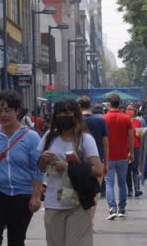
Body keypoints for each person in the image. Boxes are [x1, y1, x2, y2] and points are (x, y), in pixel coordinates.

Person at [0, 90, 43, 246]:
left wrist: (36, 196)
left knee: (16, 240)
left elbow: (37, 169)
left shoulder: (31, 137)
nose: (3, 115)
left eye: (7, 110)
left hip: (21, 195)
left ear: (17, 110)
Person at [38, 99, 103, 246]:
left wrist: (67, 167)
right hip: (53, 202)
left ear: (75, 115)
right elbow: (40, 169)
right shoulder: (49, 137)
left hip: (78, 202)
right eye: (59, 113)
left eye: (67, 113)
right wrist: (43, 159)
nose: (63, 116)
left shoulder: (85, 139)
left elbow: (98, 170)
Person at [103, 94, 134, 220]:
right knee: (122, 183)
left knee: (109, 183)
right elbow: (131, 137)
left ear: (109, 104)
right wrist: (131, 152)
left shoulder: (103, 118)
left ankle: (112, 208)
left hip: (108, 156)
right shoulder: (126, 118)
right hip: (123, 155)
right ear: (120, 104)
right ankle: (121, 208)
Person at [78, 95, 109, 205]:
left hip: (78, 161)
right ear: (90, 105)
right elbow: (105, 144)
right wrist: (106, 163)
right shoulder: (100, 120)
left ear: (78, 106)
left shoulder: (75, 121)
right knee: (94, 195)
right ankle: (90, 219)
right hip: (97, 161)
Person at [125, 104, 143, 198]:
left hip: (136, 148)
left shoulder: (138, 122)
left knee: (135, 169)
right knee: (127, 171)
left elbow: (141, 136)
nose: (129, 111)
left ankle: (137, 189)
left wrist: (139, 133)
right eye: (128, 109)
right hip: (125, 149)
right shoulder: (123, 121)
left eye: (131, 109)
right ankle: (130, 190)